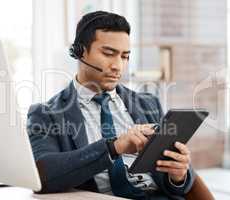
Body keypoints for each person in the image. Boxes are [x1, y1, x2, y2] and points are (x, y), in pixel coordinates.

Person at [27, 11, 194, 200]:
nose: (118, 66)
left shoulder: (149, 103)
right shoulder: (46, 114)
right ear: (80, 51)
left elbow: (175, 183)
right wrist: (114, 147)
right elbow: (43, 176)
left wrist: (177, 177)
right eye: (108, 53)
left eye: (124, 56)